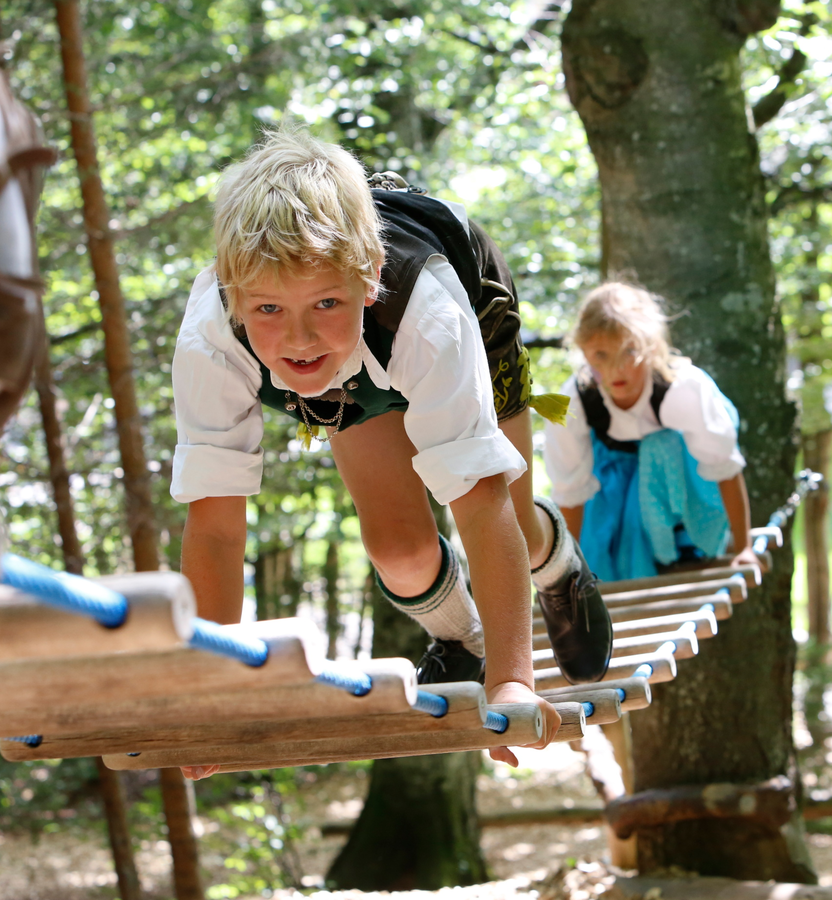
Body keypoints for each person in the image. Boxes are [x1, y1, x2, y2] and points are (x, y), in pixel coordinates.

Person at [171, 129, 612, 773]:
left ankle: (561, 565)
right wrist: (209, 702)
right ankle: (461, 638)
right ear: (232, 294)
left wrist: (513, 684)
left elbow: (481, 506)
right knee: (398, 550)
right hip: (357, 359)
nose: (299, 337)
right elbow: (214, 528)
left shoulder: (428, 314)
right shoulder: (211, 337)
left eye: (325, 301)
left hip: (461, 310)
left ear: (369, 278)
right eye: (268, 309)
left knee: (513, 517)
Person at [543, 282, 759, 582]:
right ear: (583, 351)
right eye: (601, 355)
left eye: (628, 351)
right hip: (613, 479)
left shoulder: (683, 388)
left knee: (660, 445)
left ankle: (683, 543)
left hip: (680, 478)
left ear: (652, 346)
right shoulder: (575, 401)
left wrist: (744, 546)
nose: (616, 369)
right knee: (601, 549)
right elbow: (571, 494)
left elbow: (724, 467)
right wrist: (566, 577)